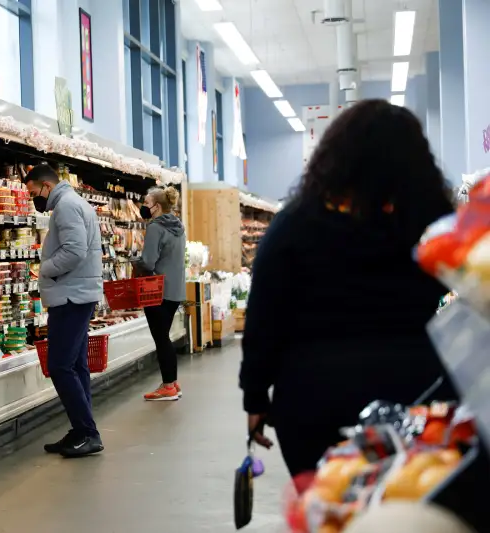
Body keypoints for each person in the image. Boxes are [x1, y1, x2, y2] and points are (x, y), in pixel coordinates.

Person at [239, 100, 455, 478]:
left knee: (328, 507)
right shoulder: (430, 222)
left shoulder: (294, 224)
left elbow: (264, 319)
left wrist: (255, 396)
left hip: (313, 399)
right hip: (414, 394)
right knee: (406, 507)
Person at [25, 164, 104, 458]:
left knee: (59, 365)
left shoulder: (67, 206)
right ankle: (81, 428)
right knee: (77, 364)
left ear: (46, 186)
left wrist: (45, 270)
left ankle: (87, 432)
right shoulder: (76, 203)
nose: (34, 197)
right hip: (77, 293)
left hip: (71, 296)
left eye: (34, 191)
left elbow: (74, 250)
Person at [135, 186, 186, 401]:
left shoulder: (155, 227)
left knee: (161, 338)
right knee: (164, 337)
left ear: (156, 207)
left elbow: (148, 261)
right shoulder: (179, 226)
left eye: (147, 203)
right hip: (175, 289)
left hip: (157, 290)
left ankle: (167, 386)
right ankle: (172, 383)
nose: (144, 207)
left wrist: (135, 262)